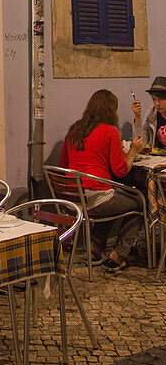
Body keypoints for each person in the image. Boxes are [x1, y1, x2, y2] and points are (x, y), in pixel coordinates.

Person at [60, 89, 143, 274]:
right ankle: (118, 256)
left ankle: (95, 247)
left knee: (113, 198)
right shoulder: (110, 131)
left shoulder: (74, 129)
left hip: (71, 199)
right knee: (138, 203)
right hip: (94, 198)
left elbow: (63, 164)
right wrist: (133, 151)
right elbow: (121, 171)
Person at [132, 76, 166, 152]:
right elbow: (141, 143)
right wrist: (137, 117)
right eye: (154, 99)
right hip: (156, 158)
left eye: (161, 99)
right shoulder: (152, 113)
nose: (157, 103)